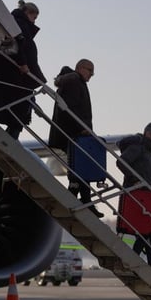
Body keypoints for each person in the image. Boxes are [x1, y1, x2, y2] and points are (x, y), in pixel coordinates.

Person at [0, 0, 47, 139]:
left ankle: (8, 135)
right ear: (28, 13)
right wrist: (23, 63)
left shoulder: (12, 22)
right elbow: (19, 43)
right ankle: (10, 137)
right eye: (34, 17)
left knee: (12, 106)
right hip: (15, 75)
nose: (34, 21)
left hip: (10, 74)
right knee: (19, 110)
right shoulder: (19, 24)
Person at [48, 59, 102, 216]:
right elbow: (70, 109)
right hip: (73, 133)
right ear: (79, 68)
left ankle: (80, 198)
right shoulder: (74, 81)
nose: (92, 74)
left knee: (80, 167)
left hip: (71, 132)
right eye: (89, 70)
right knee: (82, 166)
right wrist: (81, 129)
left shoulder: (73, 81)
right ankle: (83, 200)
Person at [116, 122, 151, 271]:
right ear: (148, 135)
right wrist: (134, 179)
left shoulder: (147, 150)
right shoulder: (138, 147)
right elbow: (121, 162)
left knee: (149, 231)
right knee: (146, 231)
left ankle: (150, 264)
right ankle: (134, 261)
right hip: (139, 194)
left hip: (148, 196)